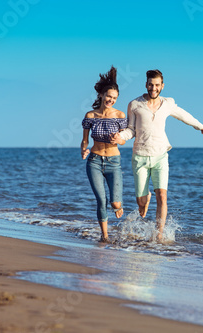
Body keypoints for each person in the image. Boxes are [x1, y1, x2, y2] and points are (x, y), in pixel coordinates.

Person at [111, 69, 203, 242]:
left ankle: (159, 234)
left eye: (157, 85)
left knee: (162, 196)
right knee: (141, 204)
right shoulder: (134, 104)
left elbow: (183, 115)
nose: (153, 88)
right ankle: (145, 198)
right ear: (146, 84)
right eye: (150, 84)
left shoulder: (168, 103)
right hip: (140, 157)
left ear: (162, 86)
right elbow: (131, 130)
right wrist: (120, 137)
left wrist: (199, 126)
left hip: (160, 156)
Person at [81, 66, 127, 243]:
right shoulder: (90, 115)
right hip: (94, 160)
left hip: (114, 162)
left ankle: (118, 204)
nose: (111, 100)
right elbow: (84, 139)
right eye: (109, 96)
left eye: (114, 98)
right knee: (101, 200)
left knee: (115, 203)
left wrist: (119, 139)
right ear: (101, 95)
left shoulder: (120, 115)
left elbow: (125, 137)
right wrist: (84, 149)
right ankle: (105, 236)